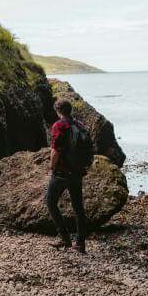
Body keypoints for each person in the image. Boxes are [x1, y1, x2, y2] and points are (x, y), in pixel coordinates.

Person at [46, 98, 90, 253]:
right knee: (78, 207)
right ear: (70, 110)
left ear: (57, 111)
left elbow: (56, 148)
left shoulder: (59, 125)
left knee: (51, 202)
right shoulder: (80, 125)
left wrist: (52, 166)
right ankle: (80, 243)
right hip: (77, 171)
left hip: (62, 173)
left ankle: (64, 237)